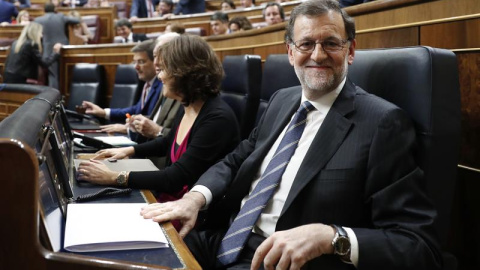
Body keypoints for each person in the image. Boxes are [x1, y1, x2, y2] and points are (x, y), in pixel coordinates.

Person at [140, 0, 443, 269]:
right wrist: (196, 197)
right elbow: (236, 160)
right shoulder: (282, 100)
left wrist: (332, 237)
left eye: (331, 43)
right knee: (131, 252)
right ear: (289, 52)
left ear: (350, 51)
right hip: (223, 237)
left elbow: (417, 245)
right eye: (306, 44)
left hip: (280, 261)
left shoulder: (383, 123)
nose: (318, 54)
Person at [77, 35, 241, 230]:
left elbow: (174, 178)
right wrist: (129, 151)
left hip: (192, 218)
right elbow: (167, 142)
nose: (160, 76)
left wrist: (116, 177)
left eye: (164, 69)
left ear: (185, 73)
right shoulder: (189, 104)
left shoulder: (217, 119)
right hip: (168, 202)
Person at [82, 40, 162, 135]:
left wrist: (127, 129)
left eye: (141, 62)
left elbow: (155, 121)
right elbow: (136, 109)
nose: (135, 67)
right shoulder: (148, 84)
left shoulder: (162, 85)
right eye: (134, 62)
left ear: (156, 63)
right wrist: (103, 112)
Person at [34, 3, 79, 89]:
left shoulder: (38, 20)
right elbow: (77, 20)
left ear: (44, 10)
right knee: (66, 74)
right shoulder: (61, 16)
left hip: (49, 50)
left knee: (53, 75)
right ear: (55, 9)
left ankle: (54, 98)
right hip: (64, 48)